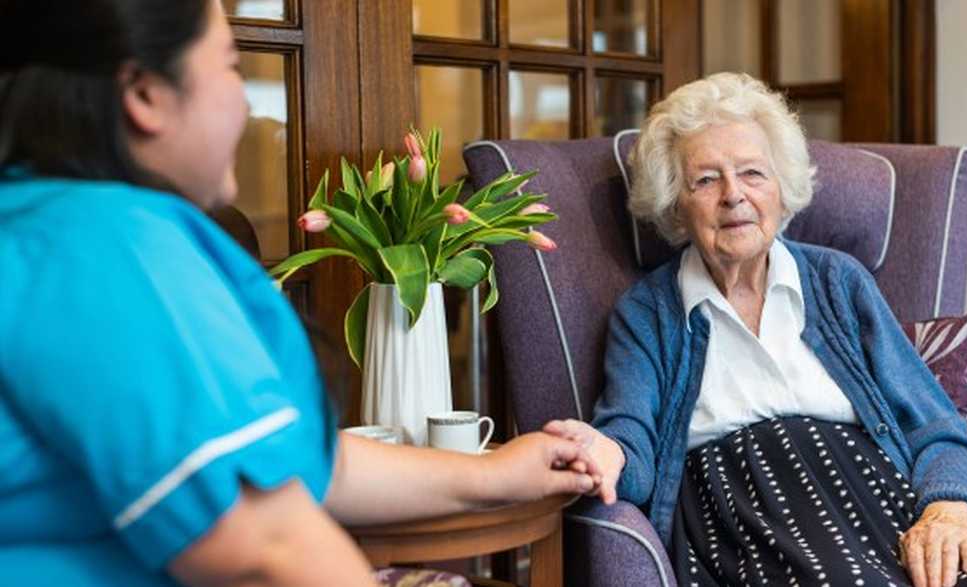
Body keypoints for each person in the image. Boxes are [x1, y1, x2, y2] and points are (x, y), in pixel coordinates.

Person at [0, 2, 601, 586]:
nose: (244, 101)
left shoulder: (44, 227)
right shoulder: (110, 246)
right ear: (146, 95)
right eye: (232, 65)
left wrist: (495, 474)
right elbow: (268, 546)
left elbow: (284, 466)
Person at [543, 72, 967, 587]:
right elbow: (634, 443)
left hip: (883, 514)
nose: (734, 196)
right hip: (746, 530)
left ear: (781, 188)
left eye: (753, 173)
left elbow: (935, 427)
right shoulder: (648, 312)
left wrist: (948, 509)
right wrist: (608, 454)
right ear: (676, 203)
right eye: (706, 180)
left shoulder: (837, 281)